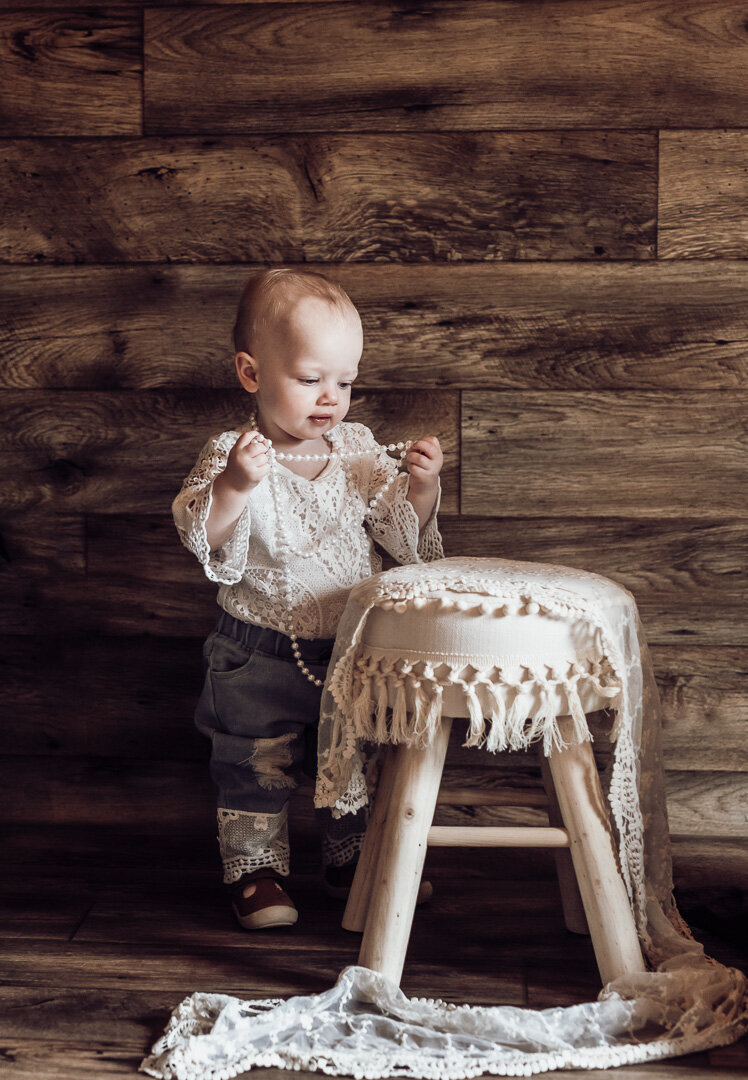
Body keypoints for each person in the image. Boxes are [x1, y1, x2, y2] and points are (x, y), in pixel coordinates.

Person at [172, 267, 445, 930]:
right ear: (251, 373)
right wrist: (236, 486)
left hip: (350, 648)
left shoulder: (355, 451)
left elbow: (395, 531)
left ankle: (350, 857)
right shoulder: (237, 455)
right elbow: (201, 535)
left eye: (345, 381)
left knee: (350, 753)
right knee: (253, 762)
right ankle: (256, 872)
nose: (331, 397)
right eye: (310, 378)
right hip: (255, 651)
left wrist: (419, 488)